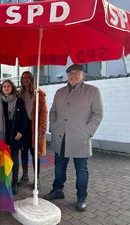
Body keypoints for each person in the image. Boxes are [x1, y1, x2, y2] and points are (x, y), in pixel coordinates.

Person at [44, 64, 103, 212]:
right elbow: (53, 112)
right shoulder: (60, 92)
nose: (73, 75)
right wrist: (53, 126)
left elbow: (98, 114)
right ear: (67, 75)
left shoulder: (93, 91)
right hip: (60, 137)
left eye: (76, 73)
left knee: (81, 170)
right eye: (70, 73)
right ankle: (57, 190)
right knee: (59, 167)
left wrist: (87, 132)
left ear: (83, 74)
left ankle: (81, 197)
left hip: (80, 138)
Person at [0, 79, 27, 195]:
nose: (6, 88)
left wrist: (21, 131)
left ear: (12, 88)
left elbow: (24, 118)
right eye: (4, 86)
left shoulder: (19, 100)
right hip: (2, 135)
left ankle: (14, 184)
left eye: (9, 86)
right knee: (2, 161)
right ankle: (3, 183)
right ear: (1, 88)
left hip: (14, 135)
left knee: (14, 160)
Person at [18, 71, 48, 188]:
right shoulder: (19, 94)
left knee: (35, 153)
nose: (25, 80)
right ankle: (25, 176)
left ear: (31, 79)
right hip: (23, 127)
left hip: (34, 127)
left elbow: (44, 113)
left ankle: (37, 178)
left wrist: (42, 129)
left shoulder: (39, 93)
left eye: (27, 77)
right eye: (23, 78)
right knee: (23, 151)